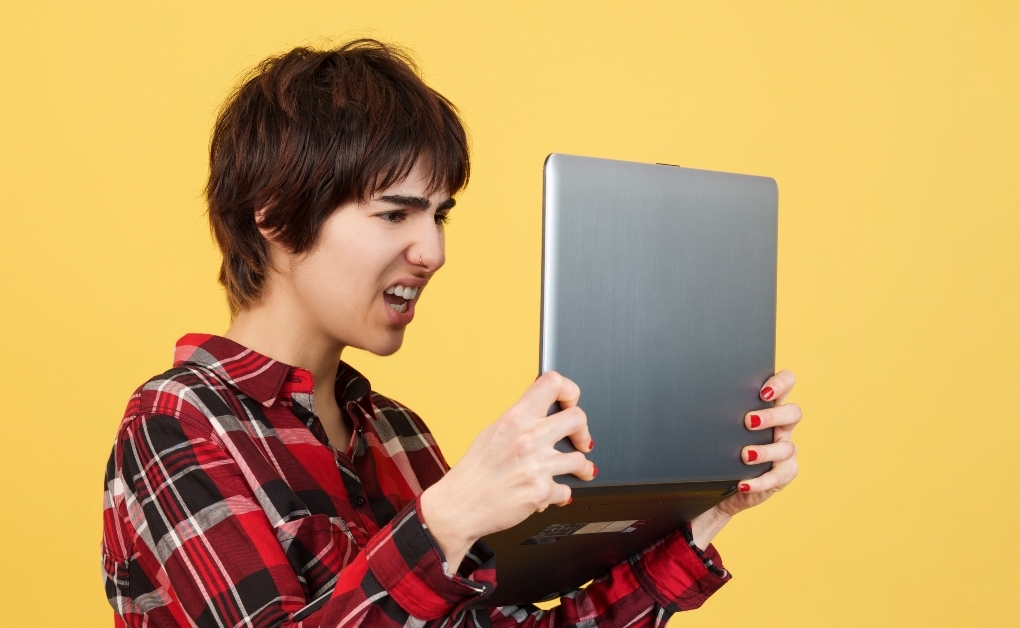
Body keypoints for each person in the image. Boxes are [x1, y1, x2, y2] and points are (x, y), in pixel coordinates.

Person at [100, 39, 802, 628]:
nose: (432, 251)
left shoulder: (399, 438)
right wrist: (445, 520)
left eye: (439, 215)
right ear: (276, 214)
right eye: (393, 215)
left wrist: (703, 516)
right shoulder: (178, 421)